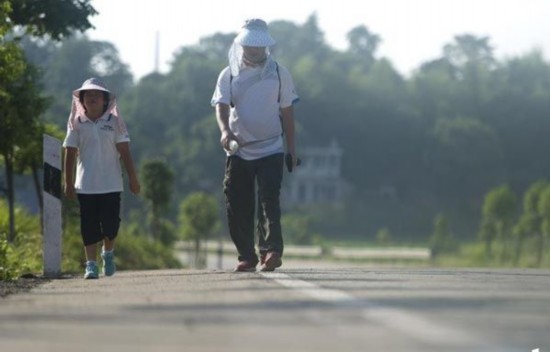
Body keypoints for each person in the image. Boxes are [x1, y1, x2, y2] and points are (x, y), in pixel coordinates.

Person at [211, 19, 300, 272]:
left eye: (259, 45)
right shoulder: (228, 74)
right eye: (249, 45)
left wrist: (291, 149)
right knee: (238, 202)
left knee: (269, 200)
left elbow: (288, 113)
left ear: (266, 46)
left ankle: (272, 251)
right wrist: (226, 131)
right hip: (239, 149)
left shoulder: (280, 74)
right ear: (241, 44)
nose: (254, 50)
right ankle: (247, 256)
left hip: (271, 147)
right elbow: (221, 106)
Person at [63, 78, 140, 279]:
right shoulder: (76, 124)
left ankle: (108, 254)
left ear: (105, 100)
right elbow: (70, 153)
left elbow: (125, 152)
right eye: (88, 95)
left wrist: (133, 178)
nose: (93, 98)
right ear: (82, 100)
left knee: (111, 224)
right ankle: (90, 264)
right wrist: (68, 182)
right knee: (88, 225)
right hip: (86, 185)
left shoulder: (114, 123)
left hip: (112, 184)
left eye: (97, 94)